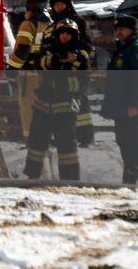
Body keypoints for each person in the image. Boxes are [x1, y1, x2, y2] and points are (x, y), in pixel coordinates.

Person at [23, 19, 89, 181]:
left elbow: (83, 82)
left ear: (74, 36)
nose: (65, 36)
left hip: (66, 111)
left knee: (67, 149)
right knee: (36, 145)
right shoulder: (48, 52)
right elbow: (39, 64)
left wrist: (60, 83)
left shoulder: (81, 56)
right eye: (62, 33)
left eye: (69, 33)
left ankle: (70, 180)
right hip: (42, 108)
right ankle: (32, 176)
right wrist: (59, 61)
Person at [103, 14, 138, 185]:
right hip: (121, 105)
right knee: (124, 141)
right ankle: (130, 178)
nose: (119, 32)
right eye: (117, 29)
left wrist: (134, 104)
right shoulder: (122, 49)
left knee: (137, 142)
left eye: (123, 29)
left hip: (132, 107)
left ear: (132, 30)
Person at [48, 0, 96, 146]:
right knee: (60, 104)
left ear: (68, 4)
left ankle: (86, 137)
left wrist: (77, 58)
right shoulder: (52, 24)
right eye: (56, 4)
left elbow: (88, 46)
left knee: (80, 103)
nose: (58, 7)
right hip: (58, 68)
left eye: (61, 4)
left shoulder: (79, 22)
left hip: (76, 69)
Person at [8, 0, 53, 139]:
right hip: (46, 72)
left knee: (28, 108)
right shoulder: (50, 23)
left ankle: (30, 139)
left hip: (29, 74)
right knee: (45, 106)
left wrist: (11, 70)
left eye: (28, 2)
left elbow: (22, 49)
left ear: (32, 5)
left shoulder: (28, 24)